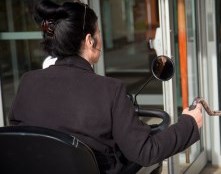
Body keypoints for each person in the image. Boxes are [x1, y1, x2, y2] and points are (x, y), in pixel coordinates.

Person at [9, 0, 203, 173]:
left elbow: (22, 141)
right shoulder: (110, 90)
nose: (100, 38)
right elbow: (146, 151)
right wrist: (189, 123)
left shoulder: (27, 83)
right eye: (98, 32)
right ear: (89, 41)